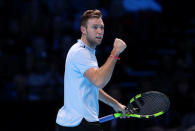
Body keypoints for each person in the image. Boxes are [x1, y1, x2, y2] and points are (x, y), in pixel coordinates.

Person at [56, 9, 127, 131]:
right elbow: (99, 81)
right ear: (83, 29)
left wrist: (115, 104)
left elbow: (92, 88)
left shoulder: (85, 51)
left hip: (74, 123)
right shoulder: (81, 52)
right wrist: (115, 51)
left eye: (102, 27)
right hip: (79, 124)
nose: (100, 31)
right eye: (95, 27)